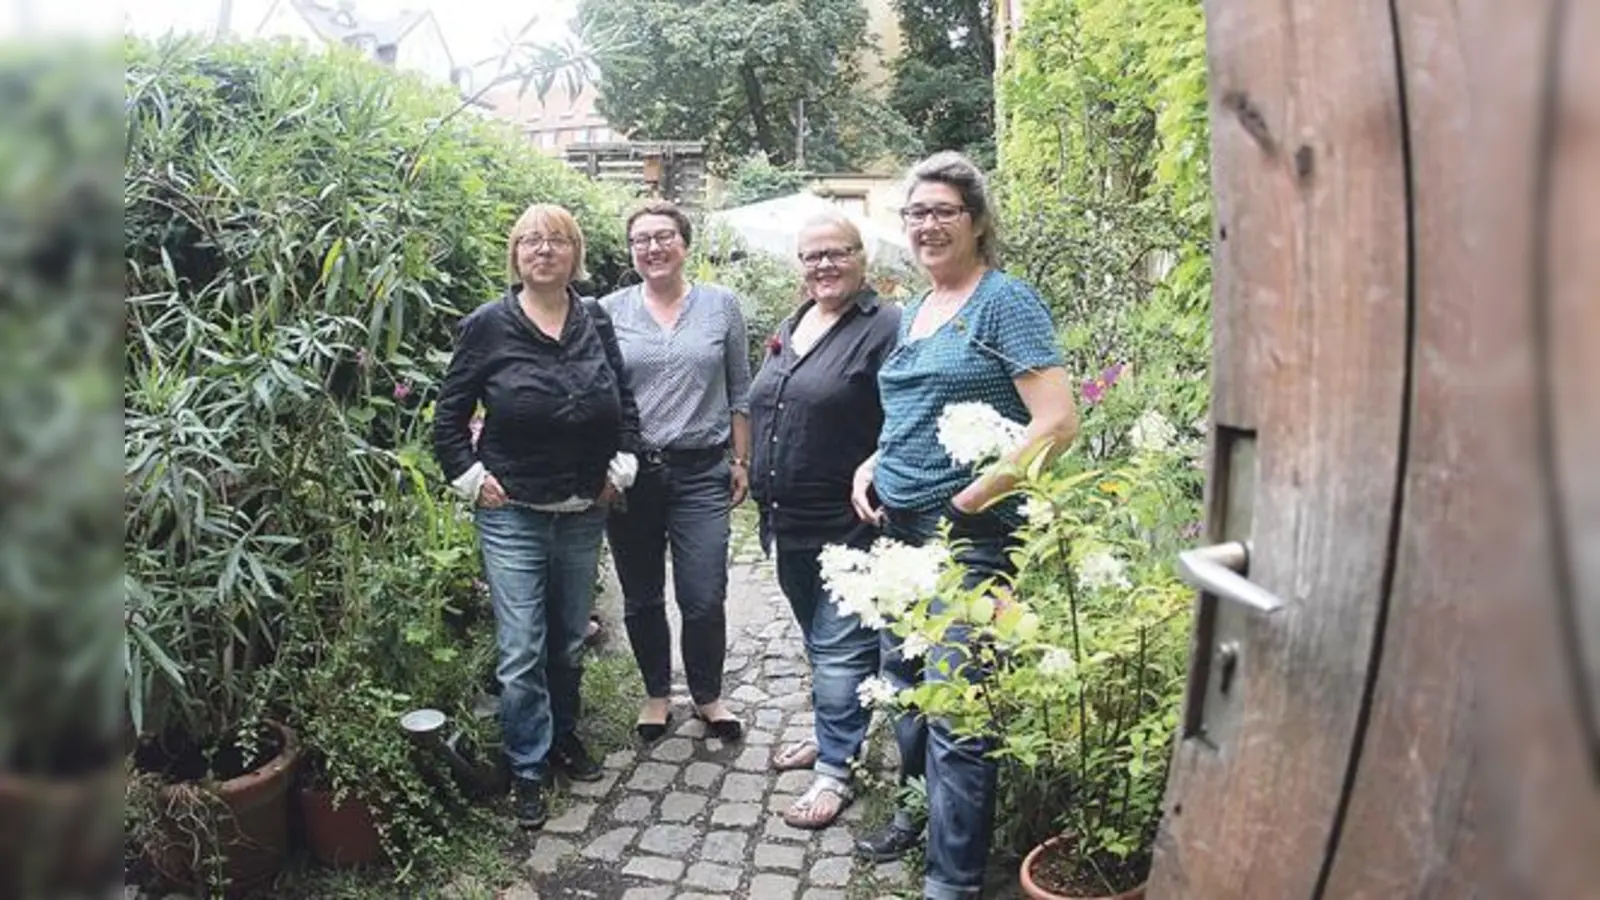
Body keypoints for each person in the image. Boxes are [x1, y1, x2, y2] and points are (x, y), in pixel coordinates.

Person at [848, 153, 1080, 899]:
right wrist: (874, 459)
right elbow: (912, 406)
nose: (927, 225)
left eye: (944, 210)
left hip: (969, 536)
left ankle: (953, 881)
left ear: (977, 221)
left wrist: (971, 500)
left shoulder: (1003, 302)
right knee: (905, 683)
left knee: (958, 710)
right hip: (899, 525)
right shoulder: (916, 307)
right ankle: (920, 813)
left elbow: (1057, 422)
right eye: (916, 213)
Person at [432, 203, 641, 829]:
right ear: (515, 254)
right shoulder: (488, 325)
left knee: (569, 639)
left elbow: (622, 399)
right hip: (515, 509)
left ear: (574, 252)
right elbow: (449, 416)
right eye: (530, 240)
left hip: (582, 506)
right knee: (522, 647)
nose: (543, 249)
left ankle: (561, 738)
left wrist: (623, 463)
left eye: (556, 240)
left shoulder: (594, 317)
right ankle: (527, 765)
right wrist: (471, 479)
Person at [748, 212, 900, 829]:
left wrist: (878, 458)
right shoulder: (796, 321)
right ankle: (831, 732)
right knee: (818, 641)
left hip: (851, 525)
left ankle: (836, 771)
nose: (823, 265)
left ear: (862, 258)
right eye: (812, 257)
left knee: (840, 651)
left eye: (836, 253)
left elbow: (909, 409)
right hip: (788, 521)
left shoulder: (887, 325)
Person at [601, 201, 752, 743]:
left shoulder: (721, 306)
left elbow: (740, 389)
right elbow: (597, 395)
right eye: (641, 240)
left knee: (704, 593)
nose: (653, 248)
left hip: (701, 470)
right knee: (641, 594)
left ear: (684, 244)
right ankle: (657, 693)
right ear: (631, 251)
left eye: (664, 236)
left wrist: (740, 460)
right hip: (632, 475)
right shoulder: (606, 310)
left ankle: (709, 696)